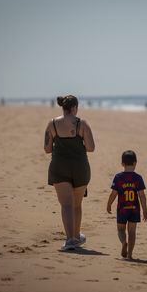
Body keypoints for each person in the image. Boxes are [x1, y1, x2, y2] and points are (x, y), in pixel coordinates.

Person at [44, 95, 95, 251]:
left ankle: (70, 239)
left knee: (66, 204)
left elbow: (47, 149)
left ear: (63, 108)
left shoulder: (52, 124)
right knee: (77, 204)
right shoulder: (82, 123)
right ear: (74, 108)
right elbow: (91, 147)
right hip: (80, 167)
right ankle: (77, 236)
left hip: (59, 166)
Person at [107, 150, 147, 260]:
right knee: (132, 232)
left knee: (121, 229)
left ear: (122, 164)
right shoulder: (138, 178)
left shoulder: (118, 177)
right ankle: (130, 255)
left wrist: (109, 204)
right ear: (135, 163)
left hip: (122, 209)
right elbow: (142, 196)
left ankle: (123, 243)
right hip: (134, 209)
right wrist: (145, 211)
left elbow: (113, 193)